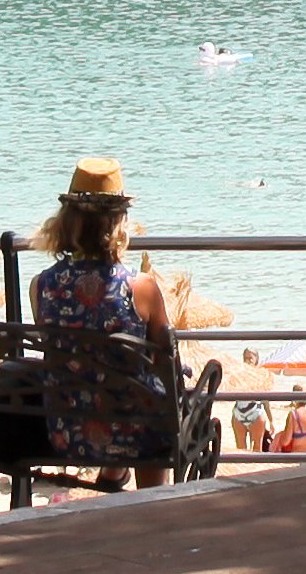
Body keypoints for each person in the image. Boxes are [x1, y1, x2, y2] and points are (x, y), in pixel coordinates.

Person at [13, 158, 194, 483]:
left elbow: (58, 350)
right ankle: (149, 502)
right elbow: (164, 357)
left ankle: (113, 471)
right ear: (119, 222)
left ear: (66, 221)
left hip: (69, 431)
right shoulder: (141, 288)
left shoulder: (41, 286)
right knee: (151, 396)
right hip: (136, 433)